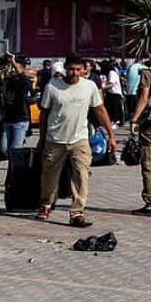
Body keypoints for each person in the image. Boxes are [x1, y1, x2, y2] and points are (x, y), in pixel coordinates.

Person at [37, 54, 115, 227]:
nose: (74, 72)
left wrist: (111, 135)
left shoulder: (89, 87)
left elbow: (100, 110)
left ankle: (77, 212)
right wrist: (42, 138)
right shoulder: (53, 86)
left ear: (84, 70)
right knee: (49, 175)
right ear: (66, 68)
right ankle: (46, 203)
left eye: (78, 69)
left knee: (81, 175)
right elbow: (44, 114)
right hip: (55, 139)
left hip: (80, 139)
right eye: (71, 69)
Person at [128, 46, 151, 216]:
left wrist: (134, 119)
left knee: (149, 163)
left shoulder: (149, 74)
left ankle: (150, 204)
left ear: (150, 56)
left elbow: (144, 97)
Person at [0, 54, 32, 155]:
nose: (12, 68)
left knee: (15, 151)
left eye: (14, 66)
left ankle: (15, 169)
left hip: (20, 121)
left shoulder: (24, 81)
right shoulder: (7, 80)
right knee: (4, 149)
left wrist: (14, 62)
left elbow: (25, 81)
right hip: (7, 119)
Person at [101, 60, 125, 126]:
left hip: (115, 93)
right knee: (111, 109)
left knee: (115, 110)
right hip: (111, 93)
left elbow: (111, 84)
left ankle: (116, 122)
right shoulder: (109, 73)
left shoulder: (112, 73)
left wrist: (102, 89)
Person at [126, 55, 146, 119]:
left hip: (128, 92)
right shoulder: (141, 67)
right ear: (142, 60)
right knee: (136, 112)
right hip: (136, 93)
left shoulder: (130, 67)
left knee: (130, 111)